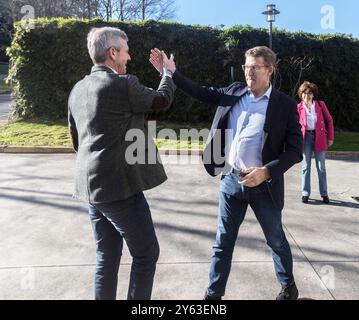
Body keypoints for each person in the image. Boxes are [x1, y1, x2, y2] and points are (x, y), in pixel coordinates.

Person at [150, 46, 303, 300]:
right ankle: (213, 295)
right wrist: (171, 73)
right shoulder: (235, 92)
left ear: (270, 70)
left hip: (264, 186)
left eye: (255, 67)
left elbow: (295, 150)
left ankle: (289, 287)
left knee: (276, 240)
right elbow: (201, 92)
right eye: (246, 67)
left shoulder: (284, 105)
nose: (249, 72)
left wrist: (267, 171)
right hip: (231, 181)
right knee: (223, 242)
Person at [68, 27, 176, 300]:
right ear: (112, 52)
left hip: (91, 190)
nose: (128, 58)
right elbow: (161, 100)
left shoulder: (77, 89)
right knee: (146, 253)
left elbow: (77, 141)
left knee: (107, 256)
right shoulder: (123, 84)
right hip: (120, 189)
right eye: (125, 52)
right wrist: (168, 73)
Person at [297, 81, 334, 204]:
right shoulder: (298, 108)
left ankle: (324, 194)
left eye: (309, 93)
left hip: (320, 137)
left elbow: (329, 120)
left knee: (321, 167)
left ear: (313, 94)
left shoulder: (320, 105)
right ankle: (305, 193)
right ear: (301, 95)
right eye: (304, 93)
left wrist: (330, 137)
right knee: (305, 166)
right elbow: (294, 126)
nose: (307, 95)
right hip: (305, 138)